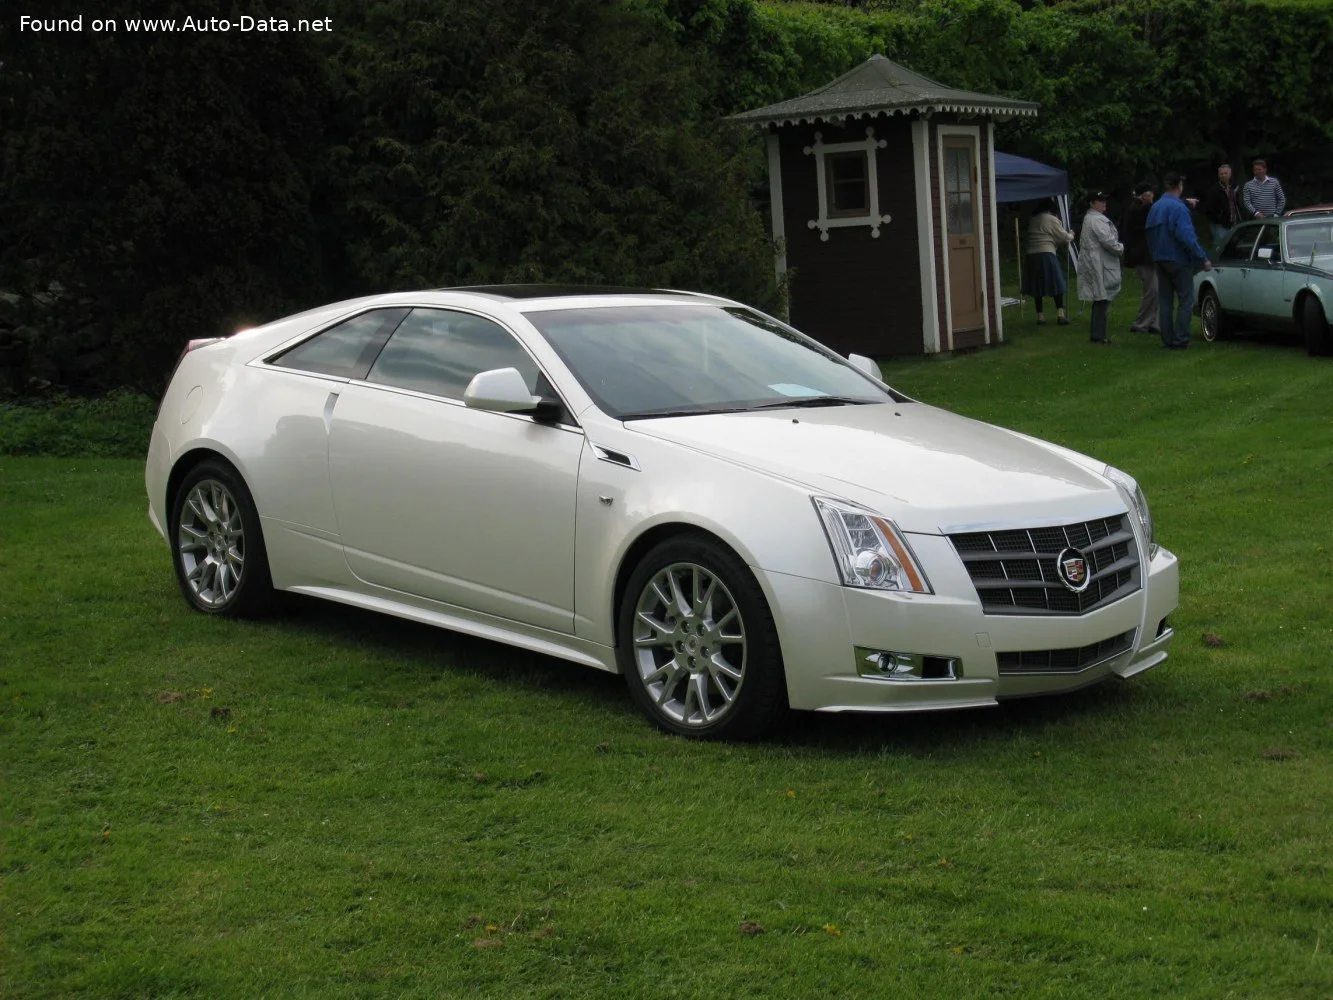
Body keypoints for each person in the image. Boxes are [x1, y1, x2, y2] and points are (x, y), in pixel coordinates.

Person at [1146, 171, 1213, 350]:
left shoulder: (1155, 207)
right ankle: (1181, 338)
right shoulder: (1178, 209)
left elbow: (1150, 234)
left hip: (1159, 258)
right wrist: (1203, 258)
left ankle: (1167, 339)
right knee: (1186, 300)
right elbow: (1187, 236)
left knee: (1166, 301)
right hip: (1178, 259)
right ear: (1179, 187)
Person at [1077, 191, 1123, 344]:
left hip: (1098, 261)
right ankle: (1098, 334)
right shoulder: (1095, 220)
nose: (1104, 203)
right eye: (1100, 201)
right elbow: (1107, 240)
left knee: (1101, 298)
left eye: (1104, 200)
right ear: (1091, 203)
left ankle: (1098, 333)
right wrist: (1120, 248)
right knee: (1101, 298)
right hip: (1099, 263)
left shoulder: (1092, 218)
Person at [1020, 198, 1074, 325]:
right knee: (1056, 283)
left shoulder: (1033, 219)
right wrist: (1071, 234)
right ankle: (1060, 315)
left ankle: (1040, 316)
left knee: (1037, 286)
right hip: (1046, 253)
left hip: (1032, 255)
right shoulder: (1051, 219)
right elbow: (1064, 237)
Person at [1121, 182, 1159, 333]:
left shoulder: (1140, 207)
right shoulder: (1136, 208)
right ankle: (1141, 323)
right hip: (1143, 256)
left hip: (1148, 256)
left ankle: (1153, 323)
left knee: (1156, 290)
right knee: (1152, 290)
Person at [1201, 163, 1243, 248]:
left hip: (1234, 224)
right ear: (1218, 175)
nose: (1223, 175)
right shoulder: (1214, 190)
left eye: (1226, 173)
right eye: (1221, 173)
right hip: (1220, 225)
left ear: (1230, 174)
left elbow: (1237, 204)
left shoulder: (1233, 188)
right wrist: (1219, 218)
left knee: (1235, 246)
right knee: (1220, 247)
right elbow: (1208, 209)